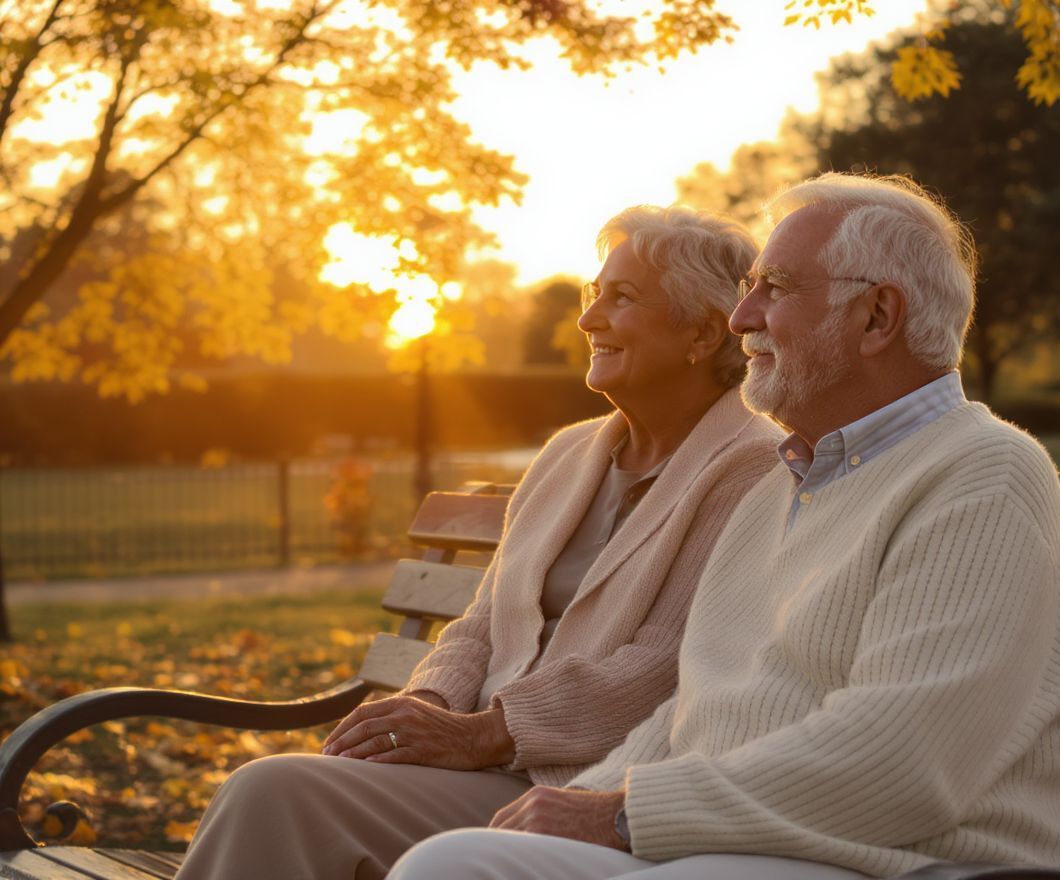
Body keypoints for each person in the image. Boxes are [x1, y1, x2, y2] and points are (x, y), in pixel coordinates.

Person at [387, 172, 1060, 880]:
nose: (741, 319)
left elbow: (901, 763)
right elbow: (694, 710)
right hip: (741, 842)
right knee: (452, 863)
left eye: (776, 289)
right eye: (748, 288)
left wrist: (625, 815)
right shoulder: (786, 484)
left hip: (915, 859)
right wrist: (583, 801)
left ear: (877, 317)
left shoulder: (983, 475)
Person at [174, 205, 782, 880]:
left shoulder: (753, 466)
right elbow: (482, 622)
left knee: (275, 794)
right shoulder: (569, 455)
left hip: (584, 788)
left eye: (622, 297)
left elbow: (669, 667)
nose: (588, 319)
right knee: (274, 789)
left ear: (702, 332)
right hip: (480, 762)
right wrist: (429, 706)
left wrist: (483, 734)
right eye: (593, 293)